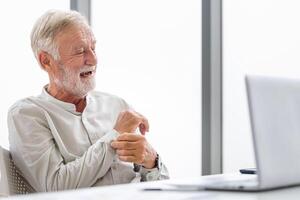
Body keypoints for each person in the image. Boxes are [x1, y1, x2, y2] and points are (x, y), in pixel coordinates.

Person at [7, 10, 169, 192]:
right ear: (46, 61)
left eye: (93, 48)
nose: (93, 59)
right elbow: (54, 187)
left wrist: (151, 162)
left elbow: (162, 185)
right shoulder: (27, 114)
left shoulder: (116, 105)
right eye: (80, 51)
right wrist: (115, 135)